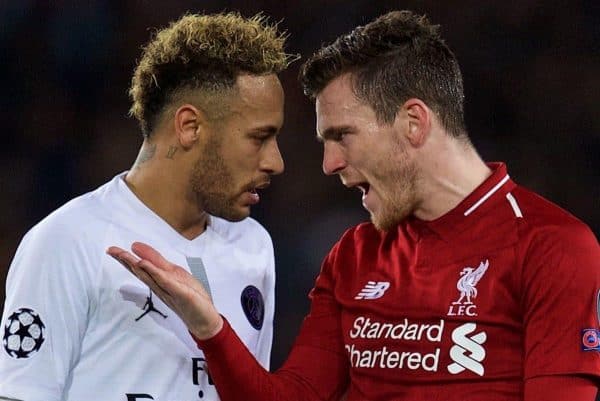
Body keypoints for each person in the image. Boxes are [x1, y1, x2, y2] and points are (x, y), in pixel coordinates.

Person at [108, 10, 600, 401]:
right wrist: (209, 325)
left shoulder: (551, 247)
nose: (329, 163)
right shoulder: (355, 255)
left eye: (342, 135)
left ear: (413, 122)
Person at [0, 12, 294, 401]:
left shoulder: (254, 245)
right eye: (259, 138)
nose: (276, 161)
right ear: (190, 126)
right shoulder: (67, 241)